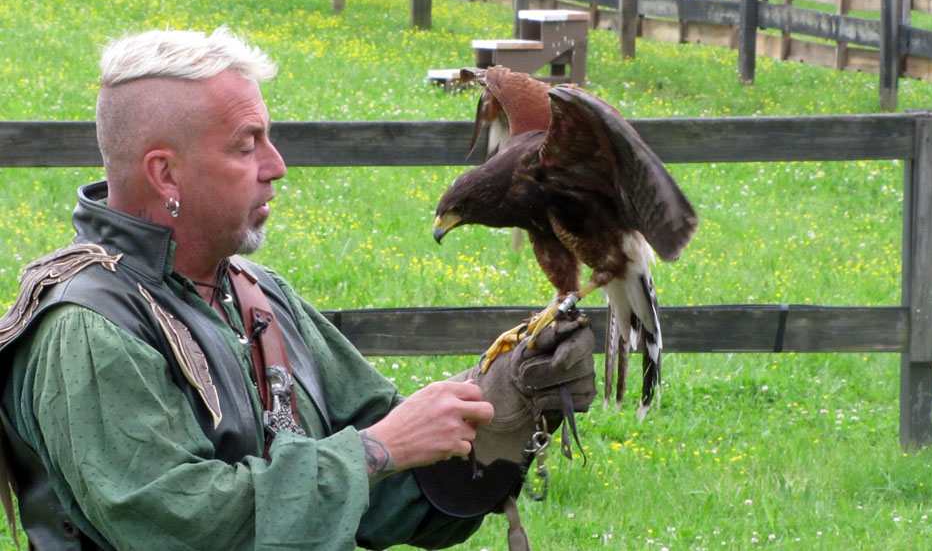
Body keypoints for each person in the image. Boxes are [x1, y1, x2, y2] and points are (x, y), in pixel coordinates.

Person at [0, 27, 596, 551]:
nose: (276, 164)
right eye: (245, 144)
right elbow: (181, 527)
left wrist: (496, 411)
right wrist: (375, 450)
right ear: (165, 173)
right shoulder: (88, 326)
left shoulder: (256, 294)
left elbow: (389, 500)